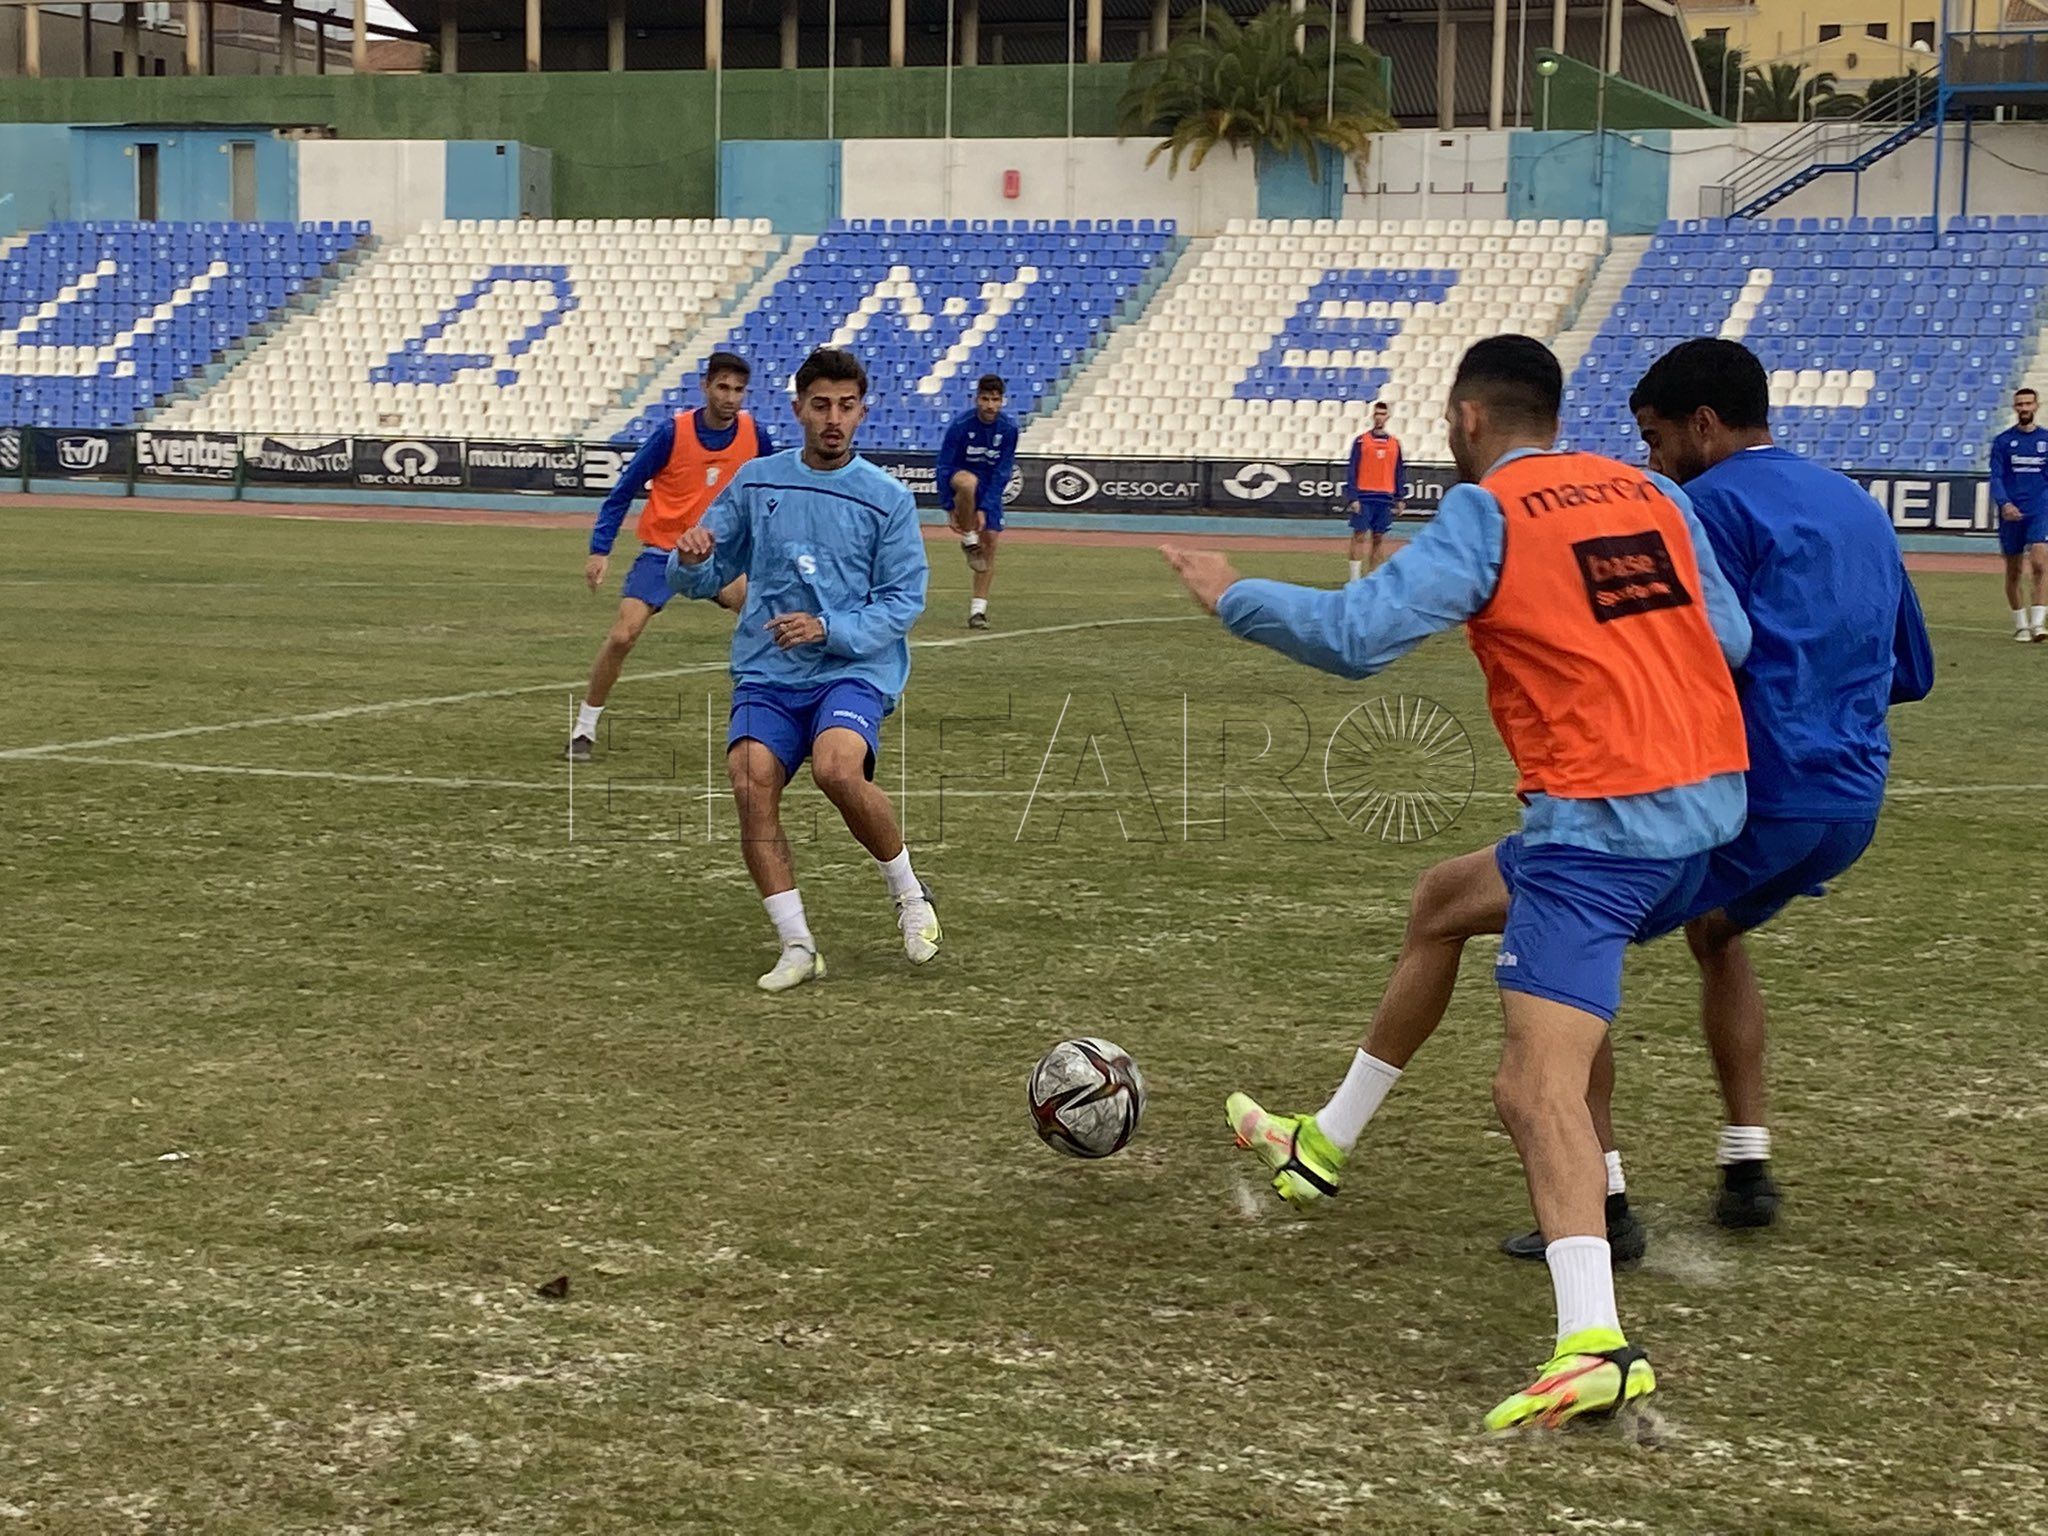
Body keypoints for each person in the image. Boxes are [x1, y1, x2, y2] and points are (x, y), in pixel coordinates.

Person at [1163, 335, 1753, 1431]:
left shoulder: (1489, 514)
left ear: (1465, 421)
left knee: (1531, 1088)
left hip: (1597, 836)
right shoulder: (1644, 490)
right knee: (1443, 901)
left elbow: (1354, 637)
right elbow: (1727, 631)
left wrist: (1229, 592)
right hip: (1704, 820)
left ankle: (1593, 1341)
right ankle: (1321, 1143)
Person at [1489, 339, 1934, 1261]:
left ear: (1702, 424)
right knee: (1716, 931)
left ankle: (1600, 1203)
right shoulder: (1857, 502)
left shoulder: (1700, 507)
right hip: (1850, 805)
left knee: (1565, 934)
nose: (1650, 462)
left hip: (1752, 800)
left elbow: (1665, 650)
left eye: (1655, 439)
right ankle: (1746, 1163)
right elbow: (1912, 672)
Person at [667, 347, 940, 993]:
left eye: (846, 406)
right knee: (749, 780)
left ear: (863, 411)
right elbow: (704, 573)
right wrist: (690, 557)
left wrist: (830, 628)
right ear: (798, 410)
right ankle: (797, 944)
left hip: (853, 666)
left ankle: (908, 893)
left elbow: (904, 598)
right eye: (821, 405)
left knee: (837, 767)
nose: (833, 418)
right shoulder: (759, 481)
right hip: (767, 670)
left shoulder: (886, 498)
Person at [567, 352, 772, 762]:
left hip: (722, 556)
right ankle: (584, 728)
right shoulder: (672, 433)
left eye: (738, 390)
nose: (731, 397)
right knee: (623, 635)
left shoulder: (755, 434)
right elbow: (623, 491)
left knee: (770, 625)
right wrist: (599, 550)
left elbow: (770, 491)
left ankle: (783, 724)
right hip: (664, 551)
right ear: (705, 386)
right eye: (723, 387)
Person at [936, 373, 1019, 630]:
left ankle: (978, 611)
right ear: (977, 399)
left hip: (989, 490)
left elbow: (1003, 471)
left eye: (995, 400)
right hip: (960, 480)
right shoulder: (961, 426)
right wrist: (949, 507)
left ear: (1002, 401)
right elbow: (943, 466)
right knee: (967, 482)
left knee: (991, 544)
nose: (990, 405)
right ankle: (968, 536)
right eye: (985, 399)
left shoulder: (1008, 430)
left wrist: (985, 507)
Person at [1990, 386, 2047, 641]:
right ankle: (2021, 625)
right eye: (2020, 404)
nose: (2024, 408)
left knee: (2040, 564)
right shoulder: (2003, 441)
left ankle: (2038, 625)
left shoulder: (2046, 440)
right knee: (2013, 571)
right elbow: (1997, 476)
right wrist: (2004, 503)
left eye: (2028, 404)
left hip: (2039, 510)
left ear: (2036, 406)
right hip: (2011, 512)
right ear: (2015, 408)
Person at [1345, 400, 1405, 578]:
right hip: (1364, 495)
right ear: (1373, 416)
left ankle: (1372, 577)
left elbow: (1399, 471)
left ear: (1388, 417)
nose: (1379, 417)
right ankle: (1354, 579)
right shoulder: (1362, 441)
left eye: (1383, 414)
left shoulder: (1394, 443)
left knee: (1379, 538)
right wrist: (1353, 496)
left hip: (1384, 496)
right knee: (1359, 535)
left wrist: (1400, 497)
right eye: (1377, 414)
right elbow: (1352, 468)